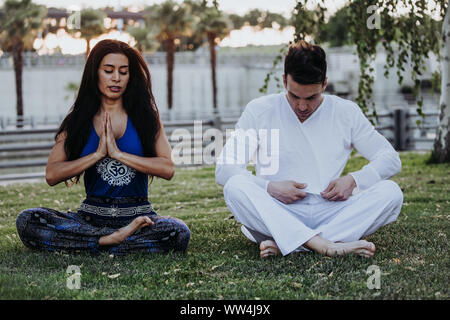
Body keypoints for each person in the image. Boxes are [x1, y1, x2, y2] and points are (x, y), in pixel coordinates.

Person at [215, 40, 403, 259]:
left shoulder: (346, 112)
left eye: (311, 97)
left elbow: (390, 159)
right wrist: (269, 187)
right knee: (234, 187)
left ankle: (294, 243)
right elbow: (224, 169)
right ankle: (325, 244)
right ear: (285, 81)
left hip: (330, 210)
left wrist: (353, 180)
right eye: (295, 96)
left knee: (391, 193)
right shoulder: (259, 110)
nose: (302, 107)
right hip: (277, 210)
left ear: (324, 84)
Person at [16, 39, 190, 255]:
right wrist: (98, 154)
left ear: (130, 77)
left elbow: (167, 169)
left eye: (123, 72)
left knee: (178, 232)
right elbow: (52, 174)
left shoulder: (147, 118)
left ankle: (96, 244)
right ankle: (110, 241)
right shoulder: (77, 121)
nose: (116, 77)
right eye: (108, 70)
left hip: (139, 218)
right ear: (95, 73)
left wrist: (118, 154)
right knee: (28, 220)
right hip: (90, 219)